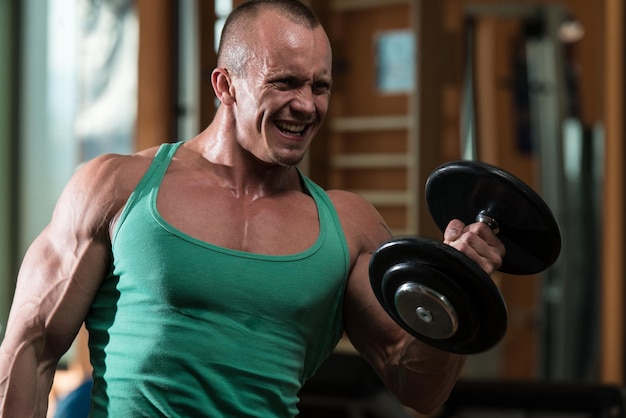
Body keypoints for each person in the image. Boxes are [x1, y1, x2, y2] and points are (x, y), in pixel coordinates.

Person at [0, 0, 505, 416]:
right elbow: (31, 347)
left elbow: (417, 386)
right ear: (225, 86)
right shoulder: (117, 188)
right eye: (284, 82)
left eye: (319, 86)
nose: (306, 105)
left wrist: (454, 290)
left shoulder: (349, 228)